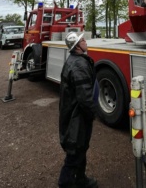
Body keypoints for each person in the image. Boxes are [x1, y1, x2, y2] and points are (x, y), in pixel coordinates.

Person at [58, 32, 98, 188]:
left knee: (81, 148)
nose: (85, 41)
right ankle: (65, 183)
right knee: (75, 150)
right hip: (77, 117)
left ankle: (81, 179)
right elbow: (85, 98)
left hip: (74, 114)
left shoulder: (75, 61)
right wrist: (92, 113)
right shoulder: (79, 66)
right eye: (82, 40)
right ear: (76, 46)